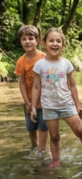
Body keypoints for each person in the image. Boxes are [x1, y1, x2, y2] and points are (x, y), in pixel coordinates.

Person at [31, 27, 82, 166]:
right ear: (44, 44)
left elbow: (73, 86)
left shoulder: (66, 63)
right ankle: (56, 161)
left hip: (66, 104)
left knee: (81, 132)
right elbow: (36, 87)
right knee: (54, 137)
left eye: (58, 41)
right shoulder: (39, 65)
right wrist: (34, 107)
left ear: (63, 45)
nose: (55, 44)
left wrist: (78, 105)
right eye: (51, 40)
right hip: (48, 106)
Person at [15, 24, 47, 155]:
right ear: (20, 41)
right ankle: (34, 146)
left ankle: (43, 149)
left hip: (44, 100)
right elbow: (21, 83)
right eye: (24, 39)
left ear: (37, 41)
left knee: (43, 126)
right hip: (28, 99)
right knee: (31, 126)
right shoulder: (21, 61)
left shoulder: (44, 57)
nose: (27, 41)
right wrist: (27, 101)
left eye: (31, 38)